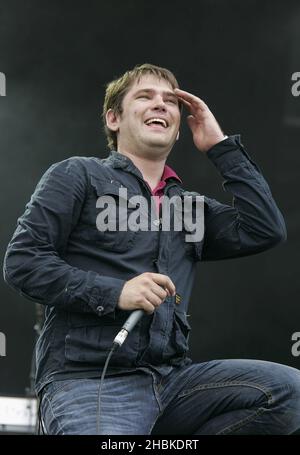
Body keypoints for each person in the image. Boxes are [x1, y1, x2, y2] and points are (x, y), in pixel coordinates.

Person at [3, 63, 300, 435]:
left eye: (170, 101)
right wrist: (116, 292)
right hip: (89, 380)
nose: (160, 104)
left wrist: (221, 147)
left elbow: (266, 229)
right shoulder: (77, 175)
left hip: (173, 381)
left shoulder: (192, 208)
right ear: (114, 118)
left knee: (289, 392)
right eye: (145, 96)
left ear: (178, 128)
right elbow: (22, 263)